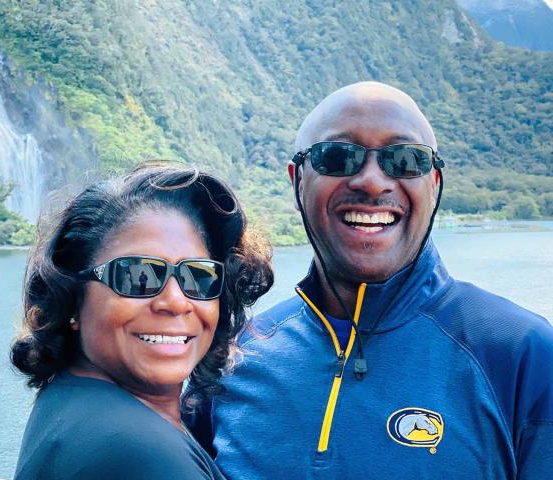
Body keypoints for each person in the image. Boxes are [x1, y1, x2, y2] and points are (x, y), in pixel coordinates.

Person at [187, 82, 553, 479]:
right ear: (297, 180)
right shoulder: (237, 358)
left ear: (433, 184)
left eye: (405, 159)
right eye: (338, 157)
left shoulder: (521, 354)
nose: (373, 181)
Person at [12, 164, 273, 479]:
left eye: (199, 276)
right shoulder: (137, 452)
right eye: (137, 276)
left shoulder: (72, 401)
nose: (176, 302)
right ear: (73, 299)